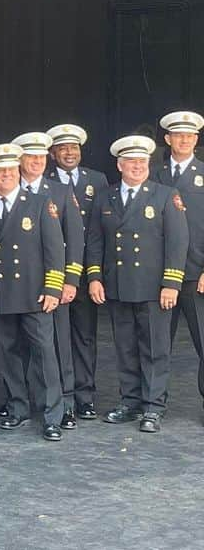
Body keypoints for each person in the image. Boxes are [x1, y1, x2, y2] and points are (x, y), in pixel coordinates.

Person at [88, 135, 188, 434]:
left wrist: (171, 283)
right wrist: (94, 277)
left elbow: (177, 242)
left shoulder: (165, 195)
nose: (137, 166)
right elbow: (95, 241)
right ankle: (130, 401)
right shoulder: (106, 197)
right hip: (118, 285)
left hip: (153, 287)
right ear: (119, 165)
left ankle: (153, 406)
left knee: (155, 348)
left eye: (142, 162)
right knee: (126, 347)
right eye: (131, 161)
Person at [0, 143, 66, 440]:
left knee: (44, 354)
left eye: (11, 170)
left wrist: (53, 287)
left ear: (18, 171)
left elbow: (54, 251)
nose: (6, 175)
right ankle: (17, 407)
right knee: (8, 354)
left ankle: (54, 414)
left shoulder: (39, 203)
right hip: (0, 294)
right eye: (0, 170)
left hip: (34, 294)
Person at [13, 132, 85, 427]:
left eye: (42, 157)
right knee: (20, 344)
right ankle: (27, 401)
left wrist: (69, 280)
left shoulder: (59, 191)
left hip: (53, 283)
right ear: (20, 161)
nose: (38, 163)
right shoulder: (5, 189)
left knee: (59, 344)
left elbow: (75, 238)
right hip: (20, 286)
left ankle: (65, 402)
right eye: (32, 157)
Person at [46, 123, 108, 420]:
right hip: (53, 273)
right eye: (63, 148)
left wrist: (96, 274)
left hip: (85, 273)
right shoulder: (41, 182)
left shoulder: (97, 180)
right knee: (55, 337)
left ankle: (85, 396)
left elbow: (100, 230)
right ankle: (59, 394)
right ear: (52, 153)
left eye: (74, 148)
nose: (69, 153)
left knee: (85, 337)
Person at [154, 111, 204, 410]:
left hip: (197, 274)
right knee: (158, 344)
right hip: (160, 276)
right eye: (178, 135)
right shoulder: (154, 175)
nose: (184, 140)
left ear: (196, 140)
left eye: (189, 135)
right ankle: (154, 404)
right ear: (167, 139)